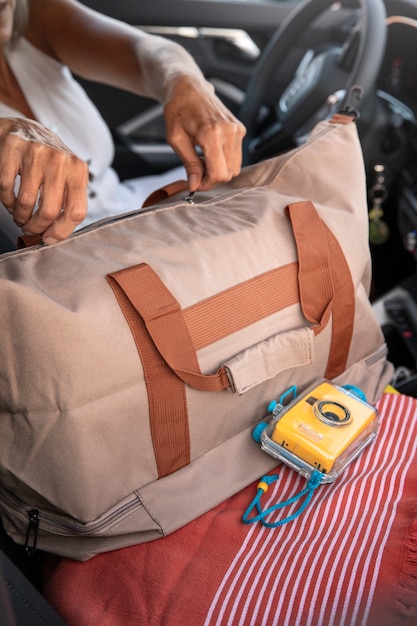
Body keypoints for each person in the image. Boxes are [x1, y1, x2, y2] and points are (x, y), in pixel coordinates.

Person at [0, 0, 246, 247]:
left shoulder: (36, 16)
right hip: (74, 261)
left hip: (131, 207)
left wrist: (183, 81)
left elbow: (144, 50)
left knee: (249, 186)